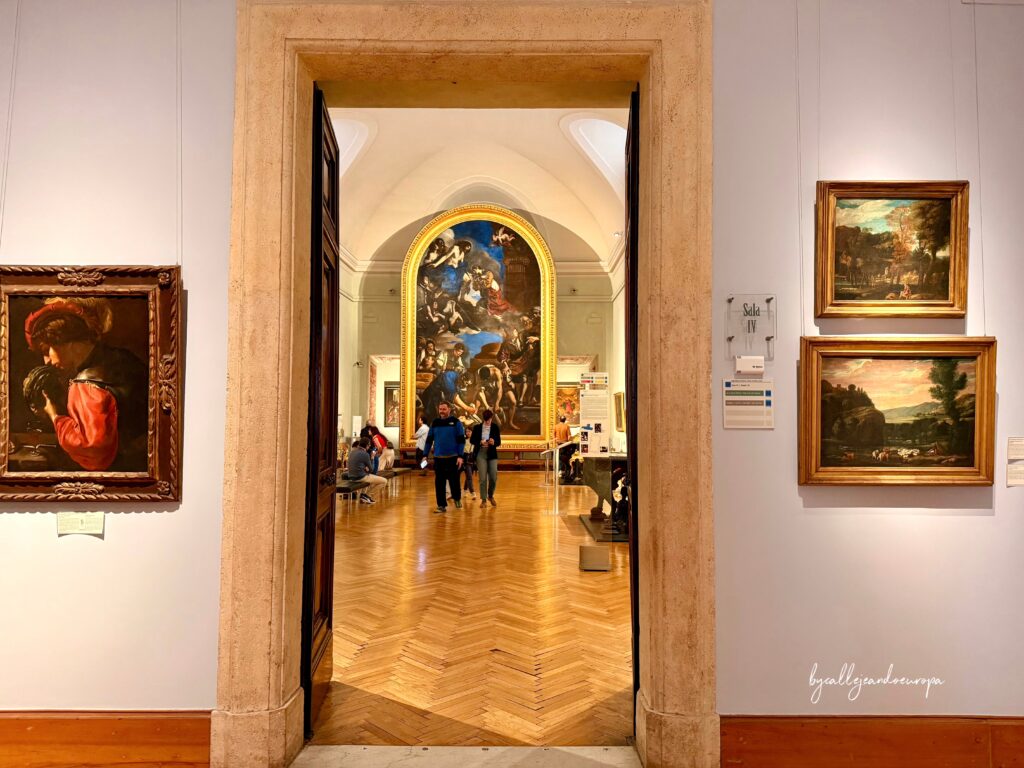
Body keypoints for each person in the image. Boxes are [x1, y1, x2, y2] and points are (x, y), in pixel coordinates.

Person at [23, 297, 147, 471]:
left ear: (66, 342)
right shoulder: (124, 357)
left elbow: (92, 451)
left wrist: (54, 416)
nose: (47, 361)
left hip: (117, 472)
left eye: (46, 350)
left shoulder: (86, 385)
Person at [424, 401, 465, 513]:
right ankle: (441, 505)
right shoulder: (435, 422)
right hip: (439, 458)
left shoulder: (456, 422)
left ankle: (457, 498)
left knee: (454, 481)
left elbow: (461, 440)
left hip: (453, 458)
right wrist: (425, 455)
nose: (441, 411)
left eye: (444, 409)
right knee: (439, 483)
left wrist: (460, 456)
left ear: (449, 410)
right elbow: (429, 440)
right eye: (440, 409)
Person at [470, 409, 501, 506]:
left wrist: (493, 442)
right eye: (486, 420)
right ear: (484, 419)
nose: (488, 422)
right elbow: (472, 440)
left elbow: (499, 442)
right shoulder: (477, 428)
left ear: (491, 418)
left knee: (493, 477)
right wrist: (480, 442)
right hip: (481, 454)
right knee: (482, 478)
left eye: (489, 420)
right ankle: (483, 500)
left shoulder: (495, 427)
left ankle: (490, 495)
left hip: (492, 454)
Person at [345, 438, 387, 504]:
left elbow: (356, 464)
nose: (369, 446)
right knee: (384, 481)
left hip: (351, 476)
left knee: (370, 478)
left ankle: (363, 495)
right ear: (367, 445)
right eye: (369, 445)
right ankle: (367, 495)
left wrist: (364, 468)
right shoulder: (365, 454)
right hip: (360, 477)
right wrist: (372, 457)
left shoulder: (352, 452)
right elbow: (372, 469)